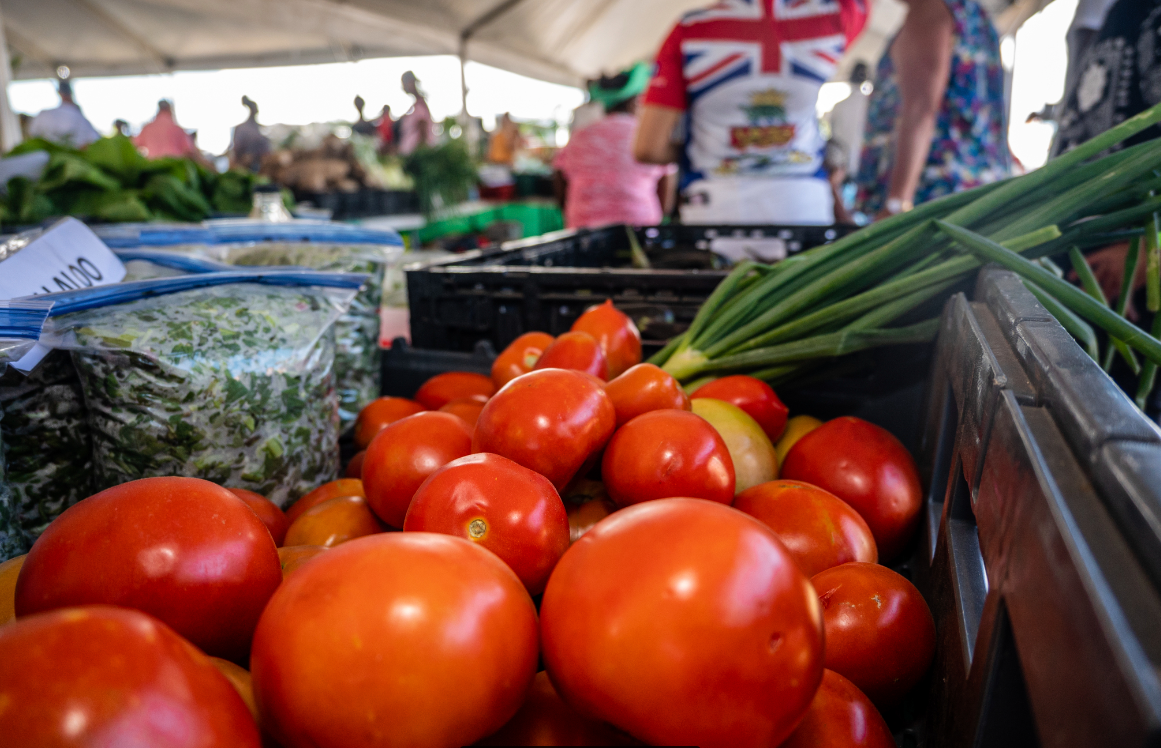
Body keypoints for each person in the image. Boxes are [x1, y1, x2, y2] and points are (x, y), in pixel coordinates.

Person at [633, 0, 868, 225]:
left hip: (716, 208)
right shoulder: (834, 17)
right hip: (804, 206)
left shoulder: (689, 30)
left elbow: (648, 148)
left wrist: (709, 149)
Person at [854, 0, 1010, 219]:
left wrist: (898, 202)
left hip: (935, 196)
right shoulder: (971, 14)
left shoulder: (929, 8)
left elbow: (920, 110)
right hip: (974, 190)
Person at [553, 63, 676, 230]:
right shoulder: (646, 136)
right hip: (639, 226)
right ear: (634, 101)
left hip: (583, 228)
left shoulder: (579, 136)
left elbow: (559, 176)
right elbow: (666, 191)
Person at [28, 80, 100, 147]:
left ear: (59, 93)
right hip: (73, 157)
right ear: (70, 93)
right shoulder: (79, 118)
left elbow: (31, 135)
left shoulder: (43, 114)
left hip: (47, 156)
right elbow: (93, 140)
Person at [134, 100, 206, 163]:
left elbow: (133, 145)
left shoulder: (147, 128)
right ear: (170, 109)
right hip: (174, 170)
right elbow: (190, 152)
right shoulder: (178, 129)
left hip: (154, 170)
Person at [229, 96, 270, 172]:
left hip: (260, 165)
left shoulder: (259, 128)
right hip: (244, 166)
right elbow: (236, 148)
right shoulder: (243, 128)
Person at [398, 71, 434, 155]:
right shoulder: (416, 105)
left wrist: (419, 155)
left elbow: (423, 134)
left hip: (415, 155)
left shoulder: (420, 107)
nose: (404, 87)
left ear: (411, 82)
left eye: (405, 83)